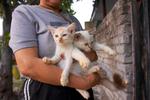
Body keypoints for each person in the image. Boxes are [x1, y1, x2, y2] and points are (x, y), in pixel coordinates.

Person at [9, 0, 101, 100]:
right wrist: (83, 83)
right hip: (47, 89)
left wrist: (69, 58)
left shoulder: (72, 19)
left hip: (82, 86)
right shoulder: (25, 13)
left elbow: (92, 54)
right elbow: (28, 66)